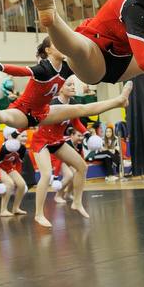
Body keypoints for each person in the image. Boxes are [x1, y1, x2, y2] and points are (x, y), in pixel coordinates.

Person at [0, 37, 131, 131]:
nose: (63, 47)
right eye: (58, 44)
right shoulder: (44, 68)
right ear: (49, 50)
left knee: (80, 109)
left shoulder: (66, 67)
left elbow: (88, 67)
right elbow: (21, 71)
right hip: (24, 111)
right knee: (4, 118)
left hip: (44, 112)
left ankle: (119, 101)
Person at [26, 80, 92, 228]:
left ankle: (76, 202)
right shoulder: (52, 103)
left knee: (82, 166)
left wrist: (87, 134)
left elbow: (75, 123)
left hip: (57, 141)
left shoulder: (72, 104)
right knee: (46, 174)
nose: (73, 87)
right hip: (41, 142)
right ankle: (39, 214)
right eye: (69, 85)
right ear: (60, 89)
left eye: (74, 85)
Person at [0, 133, 28, 217]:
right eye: (22, 136)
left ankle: (16, 208)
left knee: (21, 184)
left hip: (8, 167)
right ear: (14, 138)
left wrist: (18, 176)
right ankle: (3, 210)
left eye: (26, 136)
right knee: (9, 184)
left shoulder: (23, 148)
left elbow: (18, 163)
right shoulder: (5, 147)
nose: (25, 138)